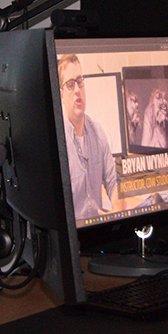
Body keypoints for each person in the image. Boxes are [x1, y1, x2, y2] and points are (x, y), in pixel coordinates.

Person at [59, 53, 121, 220]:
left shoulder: (98, 133)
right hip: (71, 229)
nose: (77, 90)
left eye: (79, 81)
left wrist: (116, 207)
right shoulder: (58, 140)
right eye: (70, 84)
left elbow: (112, 181)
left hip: (97, 226)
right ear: (61, 94)